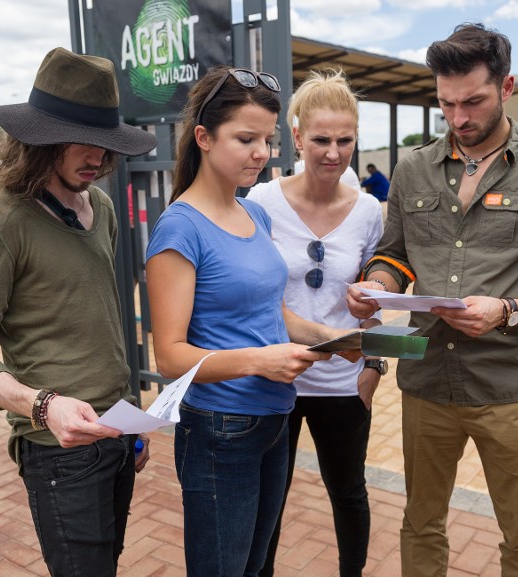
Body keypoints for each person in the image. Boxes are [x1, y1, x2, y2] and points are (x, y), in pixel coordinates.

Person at [346, 23, 518, 577]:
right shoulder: (413, 167)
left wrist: (509, 310)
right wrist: (377, 289)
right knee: (420, 523)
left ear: (507, 87)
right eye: (446, 104)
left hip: (506, 385)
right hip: (426, 381)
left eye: (473, 101)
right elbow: (395, 256)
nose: (459, 118)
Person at [0, 47, 157, 577]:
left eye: (107, 145)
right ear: (38, 138)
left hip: (115, 430)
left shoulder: (103, 207)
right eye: (83, 142)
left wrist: (129, 418)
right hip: (57, 448)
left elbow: (101, 321)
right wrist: (43, 406)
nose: (98, 158)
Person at [145, 66, 338, 576]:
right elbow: (169, 356)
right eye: (246, 138)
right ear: (204, 138)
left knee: (254, 568)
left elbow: (268, 309)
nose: (262, 153)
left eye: (268, 140)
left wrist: (332, 338)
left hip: (273, 419)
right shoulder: (180, 228)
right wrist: (261, 361)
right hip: (219, 428)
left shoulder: (256, 214)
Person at [247, 69, 384, 577]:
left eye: (345, 140)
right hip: (277, 379)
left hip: (342, 383)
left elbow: (376, 292)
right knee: (270, 501)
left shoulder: (369, 210)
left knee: (348, 493)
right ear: (298, 137)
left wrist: (373, 365)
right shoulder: (262, 202)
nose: (333, 152)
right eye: (321, 139)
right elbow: (251, 291)